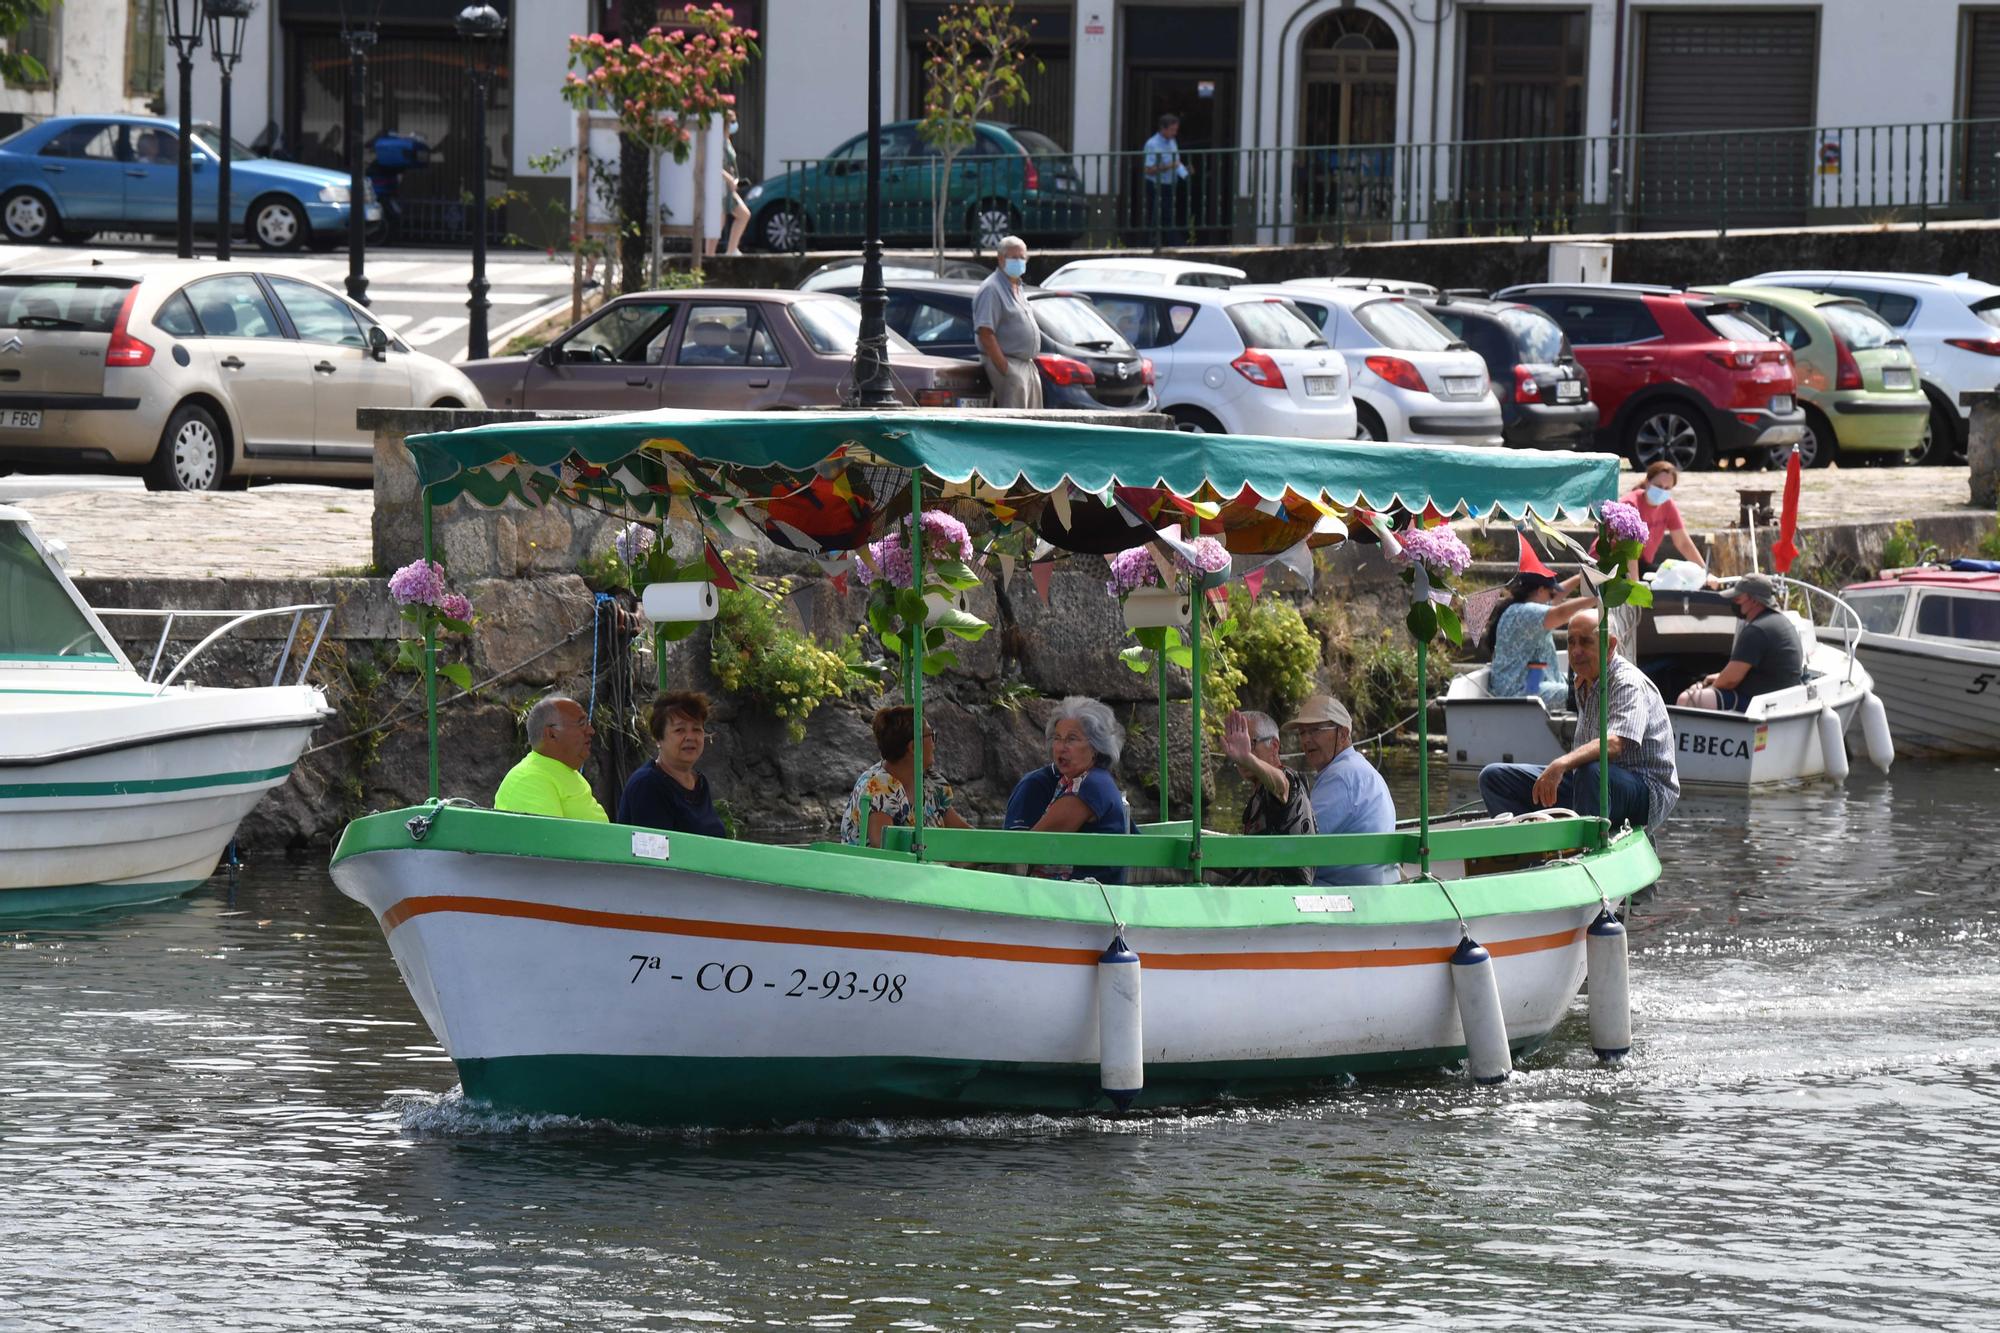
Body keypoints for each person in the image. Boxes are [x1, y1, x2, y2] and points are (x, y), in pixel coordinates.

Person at [1479, 609, 1679, 837]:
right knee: (1494, 777)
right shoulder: (1583, 679)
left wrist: (1561, 764)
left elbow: (1615, 743)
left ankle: (1585, 846)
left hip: (1644, 790)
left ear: (1610, 645)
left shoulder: (1627, 682)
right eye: (1571, 642)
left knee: (1590, 771)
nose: (1576, 651)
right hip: (1592, 783)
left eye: (1585, 642)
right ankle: (1523, 844)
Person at [1004, 696, 1134, 883]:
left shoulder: (1092, 786)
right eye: (1057, 738)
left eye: (1071, 739)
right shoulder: (1073, 781)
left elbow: (1032, 845)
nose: (1060, 748)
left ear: (1096, 747)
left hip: (1090, 899)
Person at [1284, 695, 1397, 887]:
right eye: (1302, 733)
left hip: (1346, 892)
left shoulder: (1341, 776)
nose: (1306, 740)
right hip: (1374, 887)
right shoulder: (1358, 768)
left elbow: (1301, 841)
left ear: (1343, 734)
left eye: (1315, 731)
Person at [840, 704, 971, 848]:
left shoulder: (930, 783)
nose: (934, 743)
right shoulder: (880, 789)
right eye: (930, 735)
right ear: (913, 747)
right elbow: (885, 854)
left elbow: (966, 836)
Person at [1676, 572, 1805, 712]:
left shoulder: (1756, 630)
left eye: (1738, 598)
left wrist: (1705, 685)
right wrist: (1716, 678)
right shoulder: (1780, 622)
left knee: (1687, 699)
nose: (1734, 602)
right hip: (1781, 700)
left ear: (1754, 601)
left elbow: (1730, 680)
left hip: (1760, 704)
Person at [1218, 709, 1317, 886]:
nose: (1241, 753)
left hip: (1281, 899)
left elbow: (1281, 786)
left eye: (1251, 743)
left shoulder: (1288, 780)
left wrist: (1248, 759)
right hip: (1255, 893)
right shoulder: (1258, 792)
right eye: (1237, 745)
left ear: (1274, 746)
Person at [616, 691, 727, 837]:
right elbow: (653, 854)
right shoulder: (647, 784)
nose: (690, 737)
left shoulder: (699, 782)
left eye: (696, 729)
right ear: (658, 738)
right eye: (680, 730)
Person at [494, 695, 609, 821]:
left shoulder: (563, 771)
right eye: (581, 724)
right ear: (552, 734)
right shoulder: (531, 780)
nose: (591, 731)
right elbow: (547, 839)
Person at [973, 235, 1042, 409]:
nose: (1019, 261)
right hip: (1010, 365)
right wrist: (1006, 369)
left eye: (1022, 257)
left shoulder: (1018, 286)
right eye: (1014, 257)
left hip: (1027, 365)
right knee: (1016, 423)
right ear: (1001, 258)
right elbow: (985, 332)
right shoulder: (992, 289)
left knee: (1033, 423)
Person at [1623, 461, 1705, 571]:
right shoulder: (1630, 505)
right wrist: (1635, 584)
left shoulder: (1667, 505)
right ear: (1647, 482)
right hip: (1616, 565)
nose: (1662, 491)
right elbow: (1629, 550)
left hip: (1642, 564)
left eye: (1667, 488)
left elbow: (1683, 543)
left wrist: (1705, 571)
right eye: (1658, 486)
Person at [1142, 113, 1188, 246]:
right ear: (1163, 128)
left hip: (1170, 183)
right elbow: (1148, 169)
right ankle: (1153, 243)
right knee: (1155, 216)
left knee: (1169, 214)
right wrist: (1169, 166)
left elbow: (1177, 161)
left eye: (1176, 130)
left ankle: (1171, 242)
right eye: (1172, 130)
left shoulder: (1172, 141)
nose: (1175, 133)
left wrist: (1184, 170)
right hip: (1156, 184)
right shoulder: (1152, 144)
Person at [717, 110, 750, 256]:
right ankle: (710, 255)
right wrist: (729, 178)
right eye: (732, 122)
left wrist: (734, 179)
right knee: (719, 223)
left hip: (729, 187)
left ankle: (731, 250)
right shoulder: (717, 141)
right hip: (721, 187)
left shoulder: (727, 140)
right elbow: (714, 165)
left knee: (742, 215)